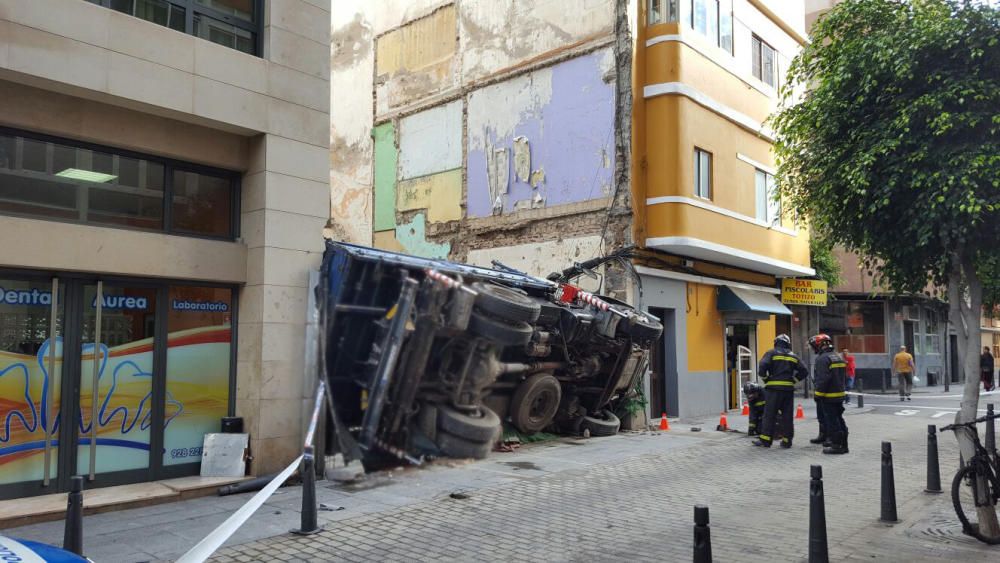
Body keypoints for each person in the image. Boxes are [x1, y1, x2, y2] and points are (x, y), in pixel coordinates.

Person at [753, 334, 808, 449]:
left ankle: (766, 441)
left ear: (776, 342)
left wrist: (766, 379)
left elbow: (762, 365)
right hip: (788, 390)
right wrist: (793, 380)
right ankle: (787, 441)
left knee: (769, 415)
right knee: (787, 416)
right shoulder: (794, 356)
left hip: (773, 390)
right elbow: (804, 370)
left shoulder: (771, 353)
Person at [810, 333, 849, 454]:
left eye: (814, 346)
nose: (814, 349)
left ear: (820, 345)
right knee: (839, 419)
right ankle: (843, 444)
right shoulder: (837, 356)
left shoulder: (822, 359)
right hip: (838, 395)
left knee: (832, 421)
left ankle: (837, 446)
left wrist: (818, 394)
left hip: (828, 396)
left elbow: (823, 379)